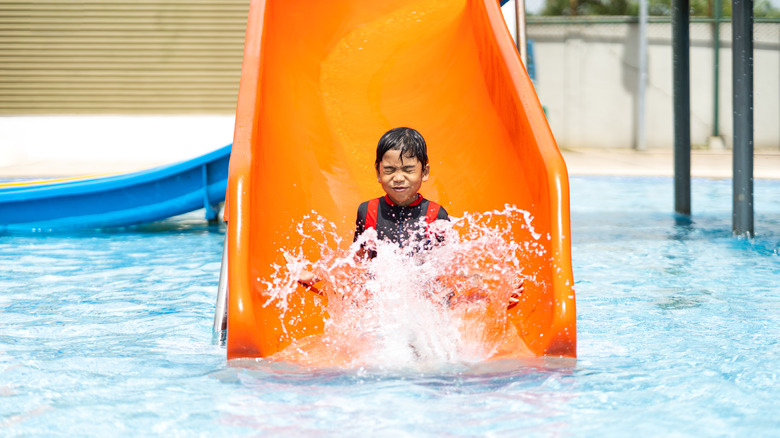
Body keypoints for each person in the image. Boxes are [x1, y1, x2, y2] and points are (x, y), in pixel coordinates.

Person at [294, 127, 521, 306]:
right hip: (382, 301)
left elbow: (451, 266)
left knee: (445, 298)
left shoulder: (434, 214)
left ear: (425, 171)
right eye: (390, 170)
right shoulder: (368, 211)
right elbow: (356, 262)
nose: (398, 178)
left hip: (423, 302)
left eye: (408, 169)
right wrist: (317, 275)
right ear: (378, 172)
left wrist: (493, 287)